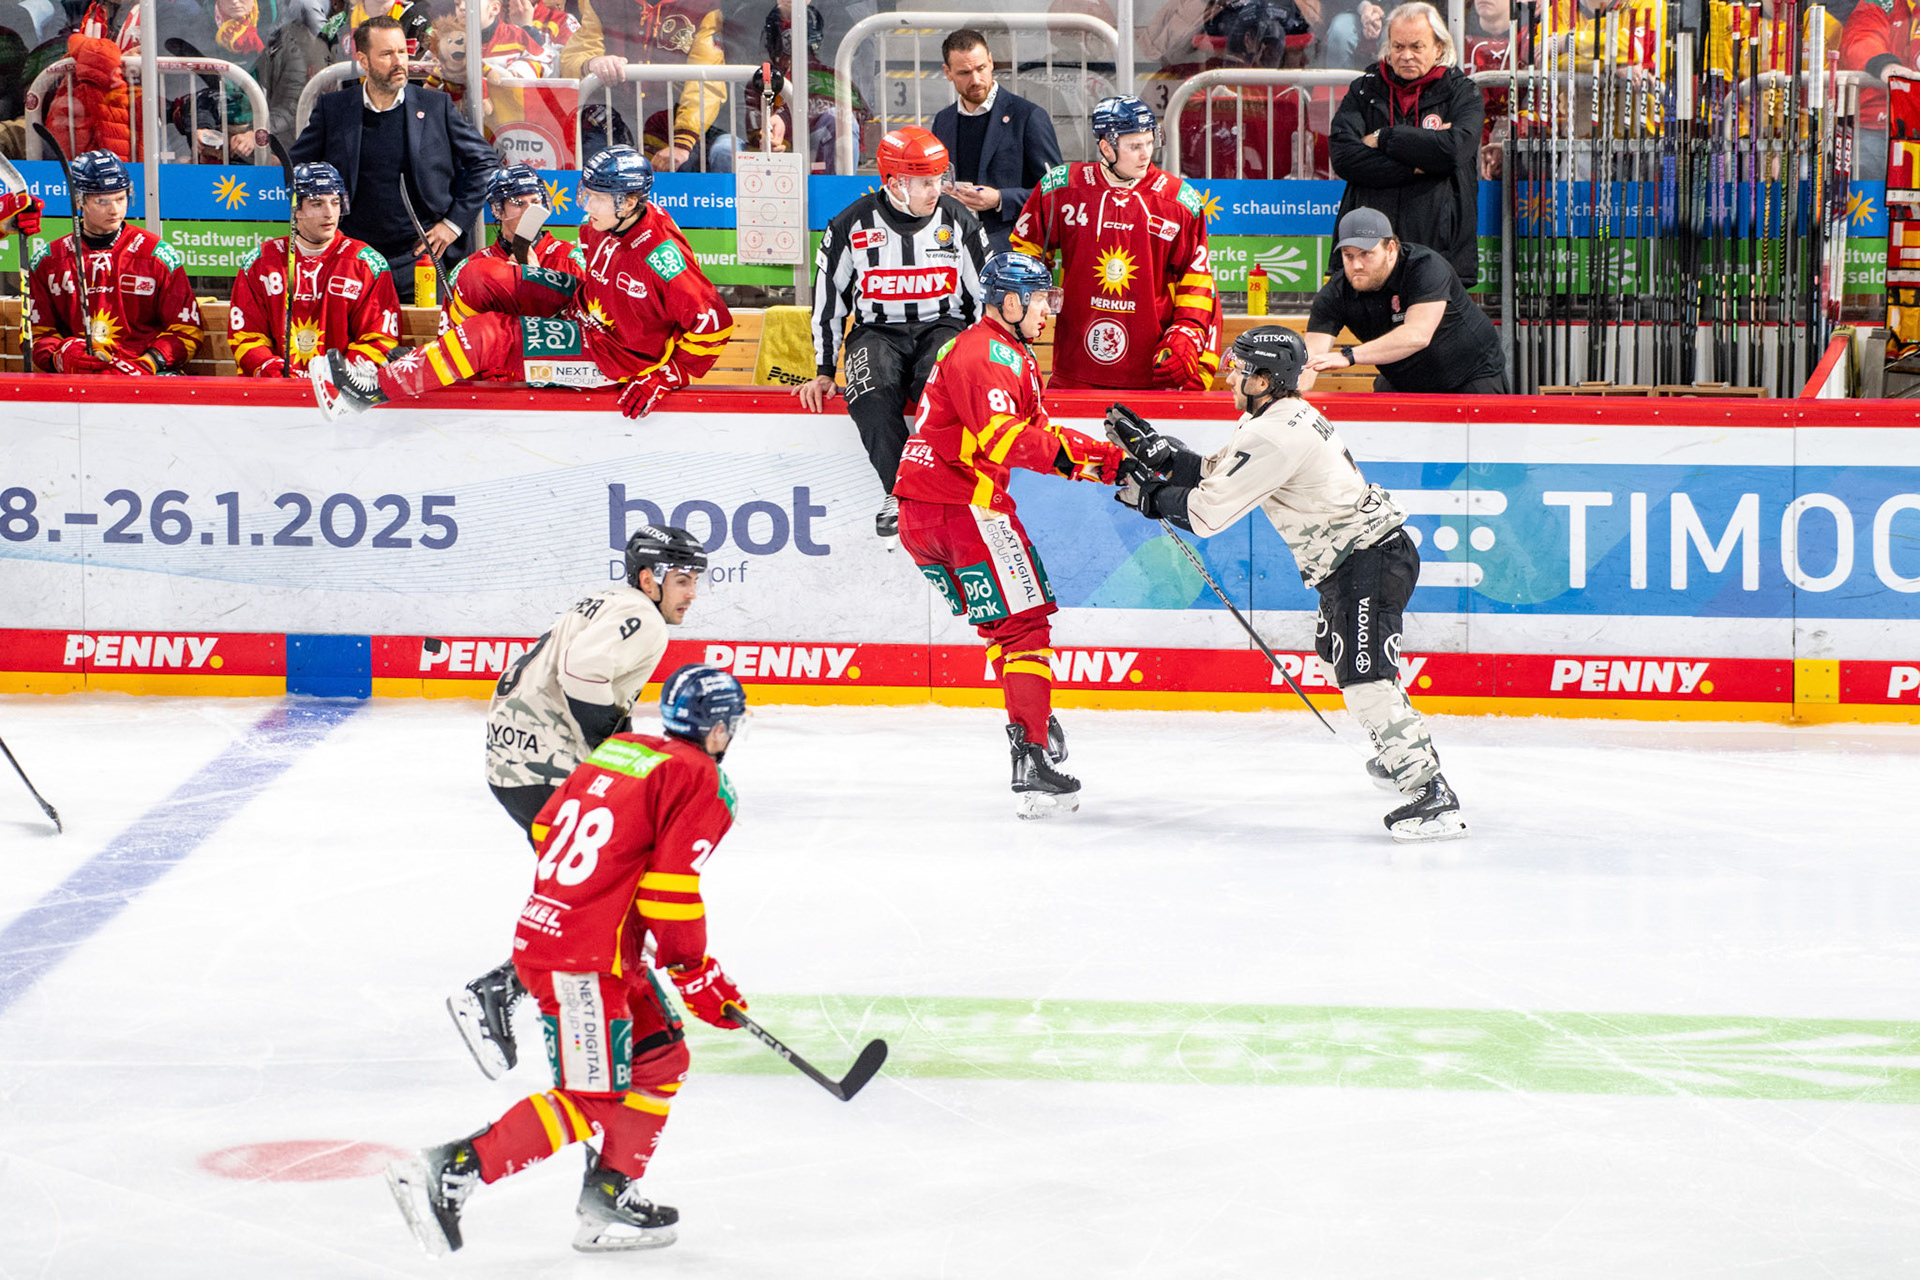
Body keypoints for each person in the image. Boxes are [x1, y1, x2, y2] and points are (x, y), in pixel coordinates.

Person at [388, 663, 751, 1256]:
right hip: (583, 962)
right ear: (717, 730)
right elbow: (671, 890)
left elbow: (549, 825)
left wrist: (614, 912)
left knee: (661, 1057)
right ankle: (451, 1169)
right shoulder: (703, 778)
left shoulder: (624, 751)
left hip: (569, 940)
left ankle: (609, 1195)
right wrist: (695, 971)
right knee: (593, 1095)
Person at [1105, 325, 1468, 842]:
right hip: (1364, 556)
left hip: (1364, 559)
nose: (1232, 374)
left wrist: (1149, 498)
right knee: (1343, 659)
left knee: (1363, 678)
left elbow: (1208, 513)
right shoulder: (1280, 416)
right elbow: (1217, 472)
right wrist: (1165, 454)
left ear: (1266, 378)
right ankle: (1403, 752)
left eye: (1241, 367)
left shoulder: (1272, 432)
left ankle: (1431, 792)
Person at [448, 524, 708, 1081]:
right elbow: (583, 674)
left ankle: (609, 996)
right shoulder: (641, 617)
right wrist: (612, 758)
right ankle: (500, 990)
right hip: (545, 768)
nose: (691, 594)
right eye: (683, 580)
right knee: (599, 894)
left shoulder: (610, 603)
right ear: (649, 578)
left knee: (591, 891)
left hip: (519, 764)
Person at [892, 252, 1127, 819]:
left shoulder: (1002, 351)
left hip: (922, 515)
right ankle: (1031, 749)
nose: (1048, 309)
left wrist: (1100, 459)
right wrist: (1107, 464)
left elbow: (1036, 431)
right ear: (1011, 301)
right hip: (965, 509)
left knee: (1006, 626)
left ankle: (1033, 720)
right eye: (1041, 299)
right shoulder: (989, 352)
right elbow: (1005, 442)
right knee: (1025, 629)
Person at [309, 146, 732, 420]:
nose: (586, 205)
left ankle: (368, 392)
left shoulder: (662, 261)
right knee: (478, 275)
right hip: (585, 307)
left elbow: (715, 325)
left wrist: (667, 375)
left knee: (488, 336)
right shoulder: (603, 224)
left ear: (630, 202)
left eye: (598, 198)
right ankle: (441, 367)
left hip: (613, 354)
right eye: (587, 193)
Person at [798, 126, 989, 539]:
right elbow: (829, 300)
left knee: (944, 392)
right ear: (894, 182)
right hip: (876, 332)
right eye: (924, 181)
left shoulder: (959, 220)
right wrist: (824, 368)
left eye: (939, 178)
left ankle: (950, 492)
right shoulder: (851, 224)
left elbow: (983, 296)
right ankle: (901, 493)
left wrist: (987, 356)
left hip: (944, 325)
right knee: (870, 393)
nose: (935, 190)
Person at [1010, 95, 1221, 392]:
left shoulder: (1179, 201)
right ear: (1106, 147)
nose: (1146, 154)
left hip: (1150, 371)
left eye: (1150, 142)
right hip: (1074, 368)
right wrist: (1029, 307)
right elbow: (1024, 255)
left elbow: (1197, 280)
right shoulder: (1060, 188)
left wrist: (1187, 333)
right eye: (1135, 146)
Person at [290, 13, 499, 302]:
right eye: (387, 54)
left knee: (427, 345)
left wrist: (452, 224)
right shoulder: (334, 108)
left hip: (422, 257)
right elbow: (297, 169)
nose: (399, 61)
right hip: (353, 258)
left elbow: (486, 163)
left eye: (402, 51)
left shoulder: (435, 105)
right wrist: (318, 219)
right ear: (363, 60)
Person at [1328, 0, 1482, 286]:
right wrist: (1415, 165)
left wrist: (1383, 137)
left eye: (1417, 46)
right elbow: (1344, 157)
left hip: (1439, 248)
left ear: (1438, 47)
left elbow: (1452, 151)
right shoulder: (1364, 89)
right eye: (1398, 47)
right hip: (1370, 251)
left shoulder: (1462, 91)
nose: (1406, 56)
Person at [27, 150, 203, 374]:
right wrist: (61, 356)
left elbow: (187, 330)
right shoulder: (49, 260)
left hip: (144, 376)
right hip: (78, 379)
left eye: (121, 198)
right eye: (103, 201)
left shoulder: (156, 255)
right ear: (78, 200)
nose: (115, 209)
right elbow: (35, 334)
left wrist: (149, 363)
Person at [1301, 207, 1508, 393]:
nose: (1356, 265)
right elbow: (1310, 360)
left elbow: (1417, 335)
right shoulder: (1335, 292)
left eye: (1366, 254)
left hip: (1471, 377)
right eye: (1349, 255)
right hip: (1404, 382)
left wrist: (1348, 356)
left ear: (1390, 249)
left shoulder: (1425, 266)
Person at [229, 161, 403, 376]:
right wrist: (276, 373)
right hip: (276, 394)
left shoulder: (366, 263)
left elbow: (380, 338)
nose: (330, 213)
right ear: (296, 210)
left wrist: (339, 376)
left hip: (343, 396)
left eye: (335, 202)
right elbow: (246, 336)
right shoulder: (260, 262)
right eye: (317, 204)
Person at [930, 27, 1063, 252]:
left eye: (981, 68)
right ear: (947, 72)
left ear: (991, 62)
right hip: (953, 248)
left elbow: (1056, 192)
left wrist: (1000, 199)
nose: (976, 79)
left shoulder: (1028, 116)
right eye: (964, 72)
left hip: (1012, 249)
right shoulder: (943, 121)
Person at [560, 0, 734, 170]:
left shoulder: (703, 6)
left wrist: (683, 141)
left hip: (672, 126)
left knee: (684, 168)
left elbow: (706, 81)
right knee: (597, 170)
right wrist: (592, 63)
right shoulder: (600, 3)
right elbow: (574, 56)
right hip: (610, 123)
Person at [446, 162, 584, 329]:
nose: (530, 210)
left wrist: (537, 281)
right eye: (518, 204)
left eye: (535, 201)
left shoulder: (569, 259)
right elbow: (455, 335)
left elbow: (586, 328)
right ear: (497, 210)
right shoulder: (471, 267)